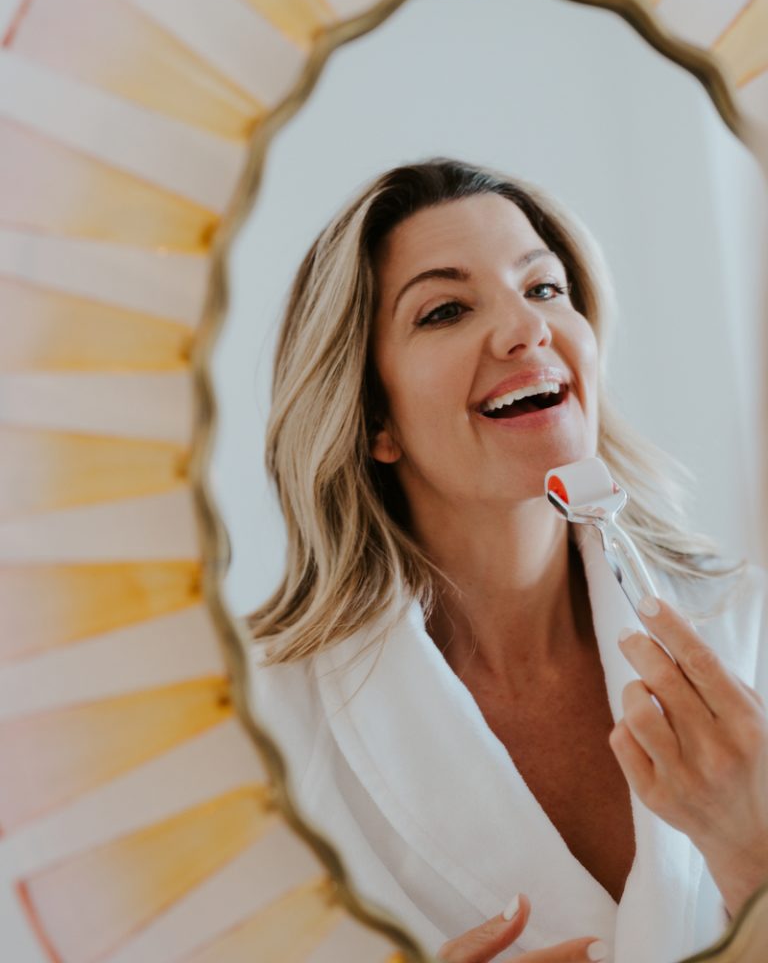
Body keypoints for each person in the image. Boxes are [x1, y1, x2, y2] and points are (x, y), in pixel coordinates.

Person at [248, 159, 768, 963]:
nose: (528, 329)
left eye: (545, 288)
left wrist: (754, 859)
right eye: (446, 309)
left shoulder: (748, 625)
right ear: (373, 417)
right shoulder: (254, 723)